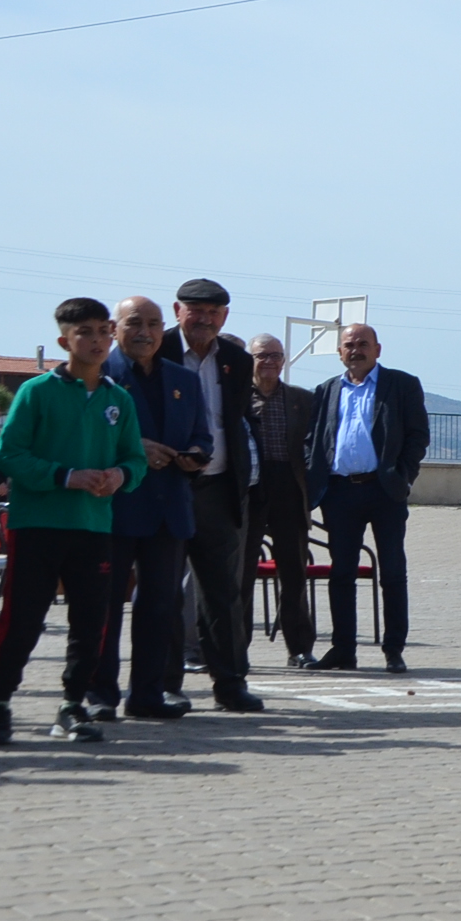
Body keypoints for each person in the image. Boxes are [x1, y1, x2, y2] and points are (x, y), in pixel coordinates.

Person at [0, 298, 146, 746]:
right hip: (38, 525)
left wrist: (120, 475)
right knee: (22, 618)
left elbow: (135, 458)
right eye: (85, 332)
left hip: (94, 528)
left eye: (103, 331)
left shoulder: (119, 399)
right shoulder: (36, 392)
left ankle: (72, 705)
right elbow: (8, 454)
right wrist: (65, 476)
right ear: (63, 340)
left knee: (91, 621)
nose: (97, 340)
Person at [91, 298, 209, 722]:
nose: (145, 332)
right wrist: (134, 448)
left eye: (154, 324)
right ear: (115, 327)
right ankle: (100, 695)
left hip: (168, 511)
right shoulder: (98, 376)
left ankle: (148, 693)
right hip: (113, 510)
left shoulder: (184, 379)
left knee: (160, 608)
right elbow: (82, 438)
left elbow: (203, 436)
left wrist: (196, 455)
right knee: (104, 608)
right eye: (135, 323)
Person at [304, 322, 430, 675]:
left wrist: (403, 476)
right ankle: (343, 650)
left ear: (378, 349)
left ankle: (393, 650)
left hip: (384, 490)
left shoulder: (401, 384)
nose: (355, 350)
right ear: (339, 352)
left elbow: (418, 435)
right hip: (339, 492)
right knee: (341, 573)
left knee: (392, 571)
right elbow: (313, 438)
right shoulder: (327, 390)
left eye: (363, 344)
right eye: (349, 345)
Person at [160, 280, 261, 713]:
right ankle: (165, 683)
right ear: (177, 311)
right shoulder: (157, 349)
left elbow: (235, 422)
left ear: (225, 317)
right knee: (164, 590)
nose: (204, 319)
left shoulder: (237, 360)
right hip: (166, 487)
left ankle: (230, 682)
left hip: (220, 489)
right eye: (196, 311)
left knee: (223, 592)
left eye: (213, 312)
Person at [241, 334, 319, 669]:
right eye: (262, 355)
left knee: (293, 571)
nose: (269, 361)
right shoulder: (238, 397)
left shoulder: (302, 399)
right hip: (250, 489)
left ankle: (299, 648)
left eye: (275, 355)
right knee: (242, 573)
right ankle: (236, 648)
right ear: (250, 360)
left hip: (289, 486)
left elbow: (317, 445)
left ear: (284, 360)